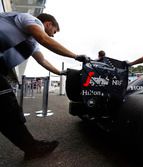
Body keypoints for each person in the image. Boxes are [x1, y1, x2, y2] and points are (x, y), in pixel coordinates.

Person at [0, 12, 85, 160]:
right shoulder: (30, 20)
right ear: (48, 24)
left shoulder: (32, 42)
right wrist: (75, 56)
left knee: (5, 109)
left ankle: (31, 147)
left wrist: (62, 73)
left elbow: (43, 61)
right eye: (54, 31)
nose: (53, 35)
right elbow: (44, 38)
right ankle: (31, 148)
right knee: (7, 106)